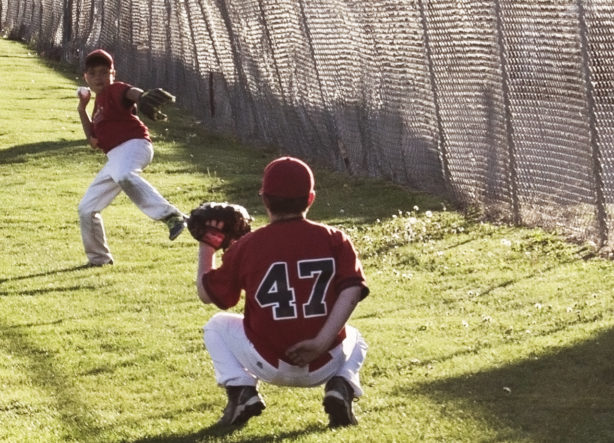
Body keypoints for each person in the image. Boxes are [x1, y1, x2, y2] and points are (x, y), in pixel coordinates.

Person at [196, 156, 369, 428]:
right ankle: (341, 385)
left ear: (265, 199)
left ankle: (242, 389)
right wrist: (321, 342)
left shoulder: (248, 245)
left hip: (266, 361)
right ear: (310, 198)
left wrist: (208, 245)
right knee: (356, 338)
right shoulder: (335, 238)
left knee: (216, 326)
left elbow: (209, 295)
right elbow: (352, 290)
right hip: (325, 362)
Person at [76, 49, 186, 266]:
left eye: (104, 72)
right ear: (86, 77)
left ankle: (172, 216)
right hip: (115, 159)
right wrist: (82, 108)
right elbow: (93, 141)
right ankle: (99, 259)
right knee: (86, 208)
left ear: (112, 74)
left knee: (124, 174)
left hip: (135, 145)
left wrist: (142, 96)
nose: (99, 77)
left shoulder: (114, 90)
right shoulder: (97, 108)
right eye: (93, 73)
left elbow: (130, 92)